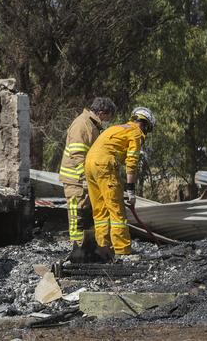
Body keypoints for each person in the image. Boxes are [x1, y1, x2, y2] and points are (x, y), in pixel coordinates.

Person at [84, 107, 156, 257]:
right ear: (145, 124)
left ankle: (102, 248)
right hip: (104, 165)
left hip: (89, 164)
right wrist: (131, 190)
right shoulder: (135, 132)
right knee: (116, 211)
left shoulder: (117, 128)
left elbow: (118, 154)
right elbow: (131, 162)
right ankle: (122, 251)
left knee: (100, 210)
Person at [59, 97, 116, 262]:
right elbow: (77, 154)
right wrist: (84, 178)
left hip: (84, 180)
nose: (107, 122)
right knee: (77, 214)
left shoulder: (92, 125)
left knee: (86, 214)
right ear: (102, 113)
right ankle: (77, 251)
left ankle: (86, 249)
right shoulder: (82, 124)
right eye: (107, 118)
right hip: (76, 180)